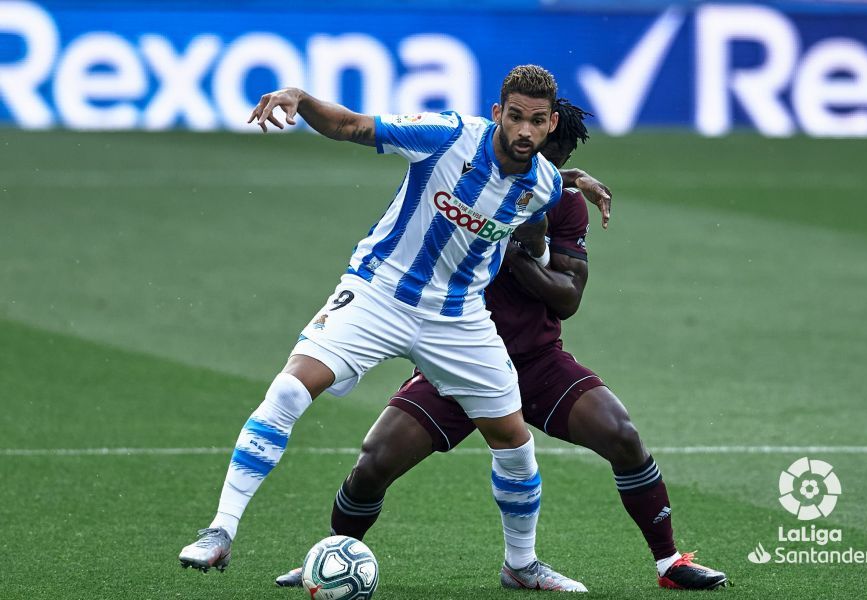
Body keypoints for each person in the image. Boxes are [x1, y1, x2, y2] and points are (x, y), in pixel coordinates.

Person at [178, 65, 613, 592]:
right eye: (515, 117)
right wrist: (300, 98)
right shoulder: (447, 134)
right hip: (379, 293)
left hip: (458, 317)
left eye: (536, 121)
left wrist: (566, 192)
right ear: (497, 112)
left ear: (550, 125)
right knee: (290, 389)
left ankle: (520, 566)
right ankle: (220, 530)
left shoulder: (543, 184)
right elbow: (351, 126)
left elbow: (535, 202)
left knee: (516, 445)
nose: (524, 130)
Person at [275, 100, 727, 591]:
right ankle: (330, 559)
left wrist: (516, 250)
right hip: (454, 360)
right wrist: (503, 232)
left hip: (535, 361)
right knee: (374, 462)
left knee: (622, 434)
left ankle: (669, 562)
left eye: (556, 159)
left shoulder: (563, 204)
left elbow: (569, 297)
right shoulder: (470, 182)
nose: (540, 163)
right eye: (541, 153)